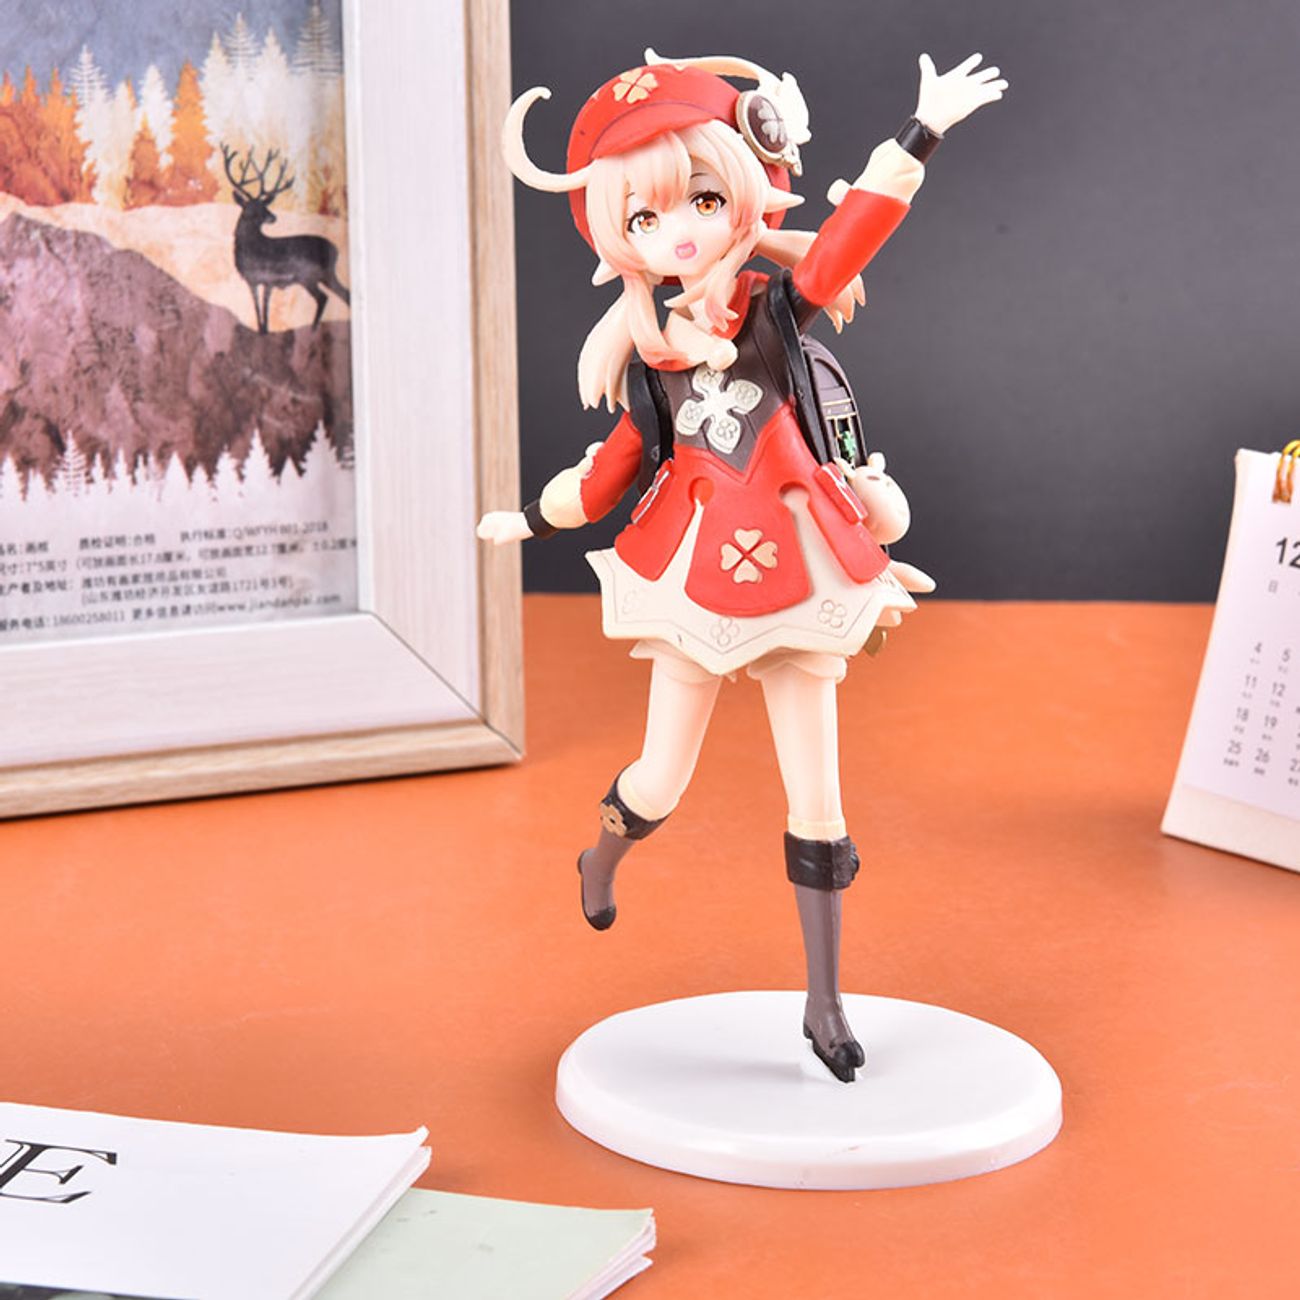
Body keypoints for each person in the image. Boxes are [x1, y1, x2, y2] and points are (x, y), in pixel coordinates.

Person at [479, 49, 1006, 1082]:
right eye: (644, 216)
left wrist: (920, 133)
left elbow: (849, 239)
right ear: (618, 235)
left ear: (745, 195)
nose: (679, 231)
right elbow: (613, 471)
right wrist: (530, 518)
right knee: (659, 780)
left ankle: (824, 1002)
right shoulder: (652, 360)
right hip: (691, 583)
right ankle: (601, 854)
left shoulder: (774, 313)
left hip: (800, 569)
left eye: (704, 199)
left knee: (820, 801)